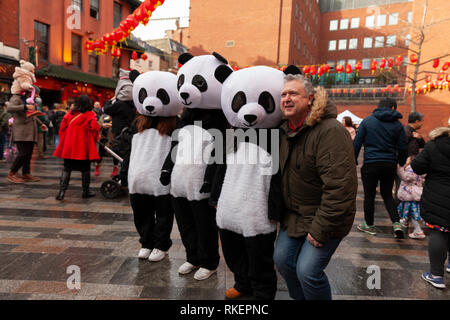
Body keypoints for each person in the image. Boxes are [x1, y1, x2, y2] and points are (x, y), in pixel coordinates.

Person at [273, 74, 357, 300]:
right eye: (283, 94)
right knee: (282, 261)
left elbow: (340, 188)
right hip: (295, 215)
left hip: (327, 216)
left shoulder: (330, 130)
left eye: (293, 94)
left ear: (310, 99)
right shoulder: (283, 130)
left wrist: (322, 228)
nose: (287, 99)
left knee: (307, 271)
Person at [354, 98, 408, 238]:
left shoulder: (367, 121)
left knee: (369, 195)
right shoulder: (397, 125)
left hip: (370, 163)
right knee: (387, 195)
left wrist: (353, 159)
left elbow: (357, 143)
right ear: (393, 108)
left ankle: (369, 225)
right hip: (389, 164)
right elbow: (403, 147)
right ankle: (396, 223)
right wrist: (401, 162)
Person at [411, 126, 450, 289]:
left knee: (438, 232)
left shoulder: (435, 144)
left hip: (437, 196)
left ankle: (436, 275)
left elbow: (418, 166)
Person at [53, 95, 100, 200]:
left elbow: (62, 129)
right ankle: (85, 191)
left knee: (66, 169)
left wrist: (66, 140)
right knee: (85, 170)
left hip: (69, 147)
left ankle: (61, 193)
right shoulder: (90, 115)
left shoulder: (70, 114)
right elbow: (94, 129)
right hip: (83, 148)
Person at [6, 84, 48, 183]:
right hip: (21, 131)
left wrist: (40, 124)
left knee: (28, 154)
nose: (37, 96)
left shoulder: (30, 100)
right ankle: (12, 173)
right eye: (36, 94)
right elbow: (10, 108)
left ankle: (26, 173)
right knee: (23, 153)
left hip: (30, 131)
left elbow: (32, 115)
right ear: (30, 92)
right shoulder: (17, 97)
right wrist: (24, 106)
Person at [102, 69, 137, 177]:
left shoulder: (119, 104)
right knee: (127, 153)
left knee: (117, 152)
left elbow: (106, 109)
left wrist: (111, 99)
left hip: (119, 132)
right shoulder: (133, 104)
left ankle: (121, 173)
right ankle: (125, 171)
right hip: (129, 132)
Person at [397, 156, 425, 239]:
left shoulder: (412, 169)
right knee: (409, 211)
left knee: (413, 214)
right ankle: (404, 221)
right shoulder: (421, 169)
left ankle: (418, 230)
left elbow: (406, 177)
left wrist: (400, 169)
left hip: (409, 195)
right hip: (414, 194)